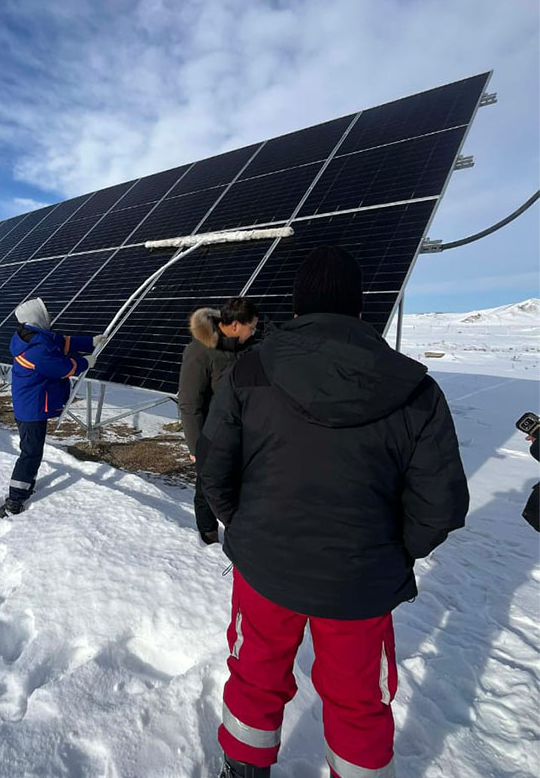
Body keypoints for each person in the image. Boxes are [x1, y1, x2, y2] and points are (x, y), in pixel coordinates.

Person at [197, 246, 469, 778]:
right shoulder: (416, 387)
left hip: (265, 567)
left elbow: (213, 465)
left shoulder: (251, 368)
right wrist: (386, 552)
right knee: (359, 698)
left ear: (297, 306)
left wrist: (248, 525)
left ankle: (243, 770)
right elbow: (441, 504)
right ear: (361, 307)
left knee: (255, 673)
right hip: (360, 583)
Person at [0, 298, 103, 519]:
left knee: (32, 451)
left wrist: (90, 342)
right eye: (45, 315)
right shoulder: (37, 349)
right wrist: (85, 363)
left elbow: (63, 343)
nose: (49, 319)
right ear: (36, 319)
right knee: (30, 453)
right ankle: (15, 500)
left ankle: (25, 486)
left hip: (32, 405)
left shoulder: (35, 338)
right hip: (31, 410)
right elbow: (61, 367)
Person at [178, 298, 261, 545]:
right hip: (212, 437)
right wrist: (196, 447)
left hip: (245, 432)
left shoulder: (247, 348)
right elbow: (189, 403)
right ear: (235, 325)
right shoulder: (200, 352)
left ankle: (239, 533)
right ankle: (207, 535)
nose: (254, 332)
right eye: (252, 327)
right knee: (207, 487)